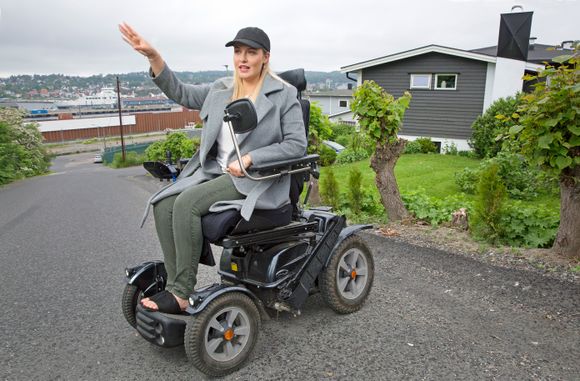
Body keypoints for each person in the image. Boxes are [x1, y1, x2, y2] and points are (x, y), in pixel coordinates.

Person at [119, 23, 307, 313]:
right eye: (238, 52)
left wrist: (251, 158)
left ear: (265, 57)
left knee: (186, 204)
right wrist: (154, 58)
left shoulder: (283, 94)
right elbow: (180, 92)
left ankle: (181, 293)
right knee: (163, 204)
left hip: (256, 178)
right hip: (215, 172)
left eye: (251, 53)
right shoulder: (222, 89)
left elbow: (296, 145)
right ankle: (175, 282)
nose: (243, 59)